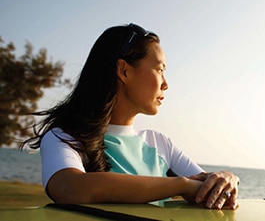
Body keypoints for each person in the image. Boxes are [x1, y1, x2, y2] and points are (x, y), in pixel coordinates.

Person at [20, 23, 240, 210]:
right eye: (159, 69)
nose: (166, 83)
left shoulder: (161, 144)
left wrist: (227, 178)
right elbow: (69, 188)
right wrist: (180, 185)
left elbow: (208, 190)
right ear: (124, 71)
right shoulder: (64, 137)